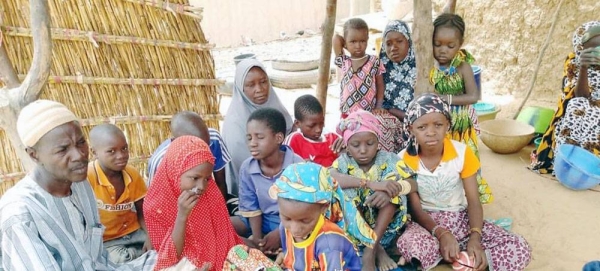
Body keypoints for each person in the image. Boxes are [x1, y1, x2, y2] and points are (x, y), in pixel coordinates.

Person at [0, 100, 155, 270]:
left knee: (176, 258)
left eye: (81, 142)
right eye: (62, 150)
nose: (79, 155)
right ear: (34, 155)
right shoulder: (20, 216)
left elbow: (98, 263)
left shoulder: (80, 186)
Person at [396, 93, 531, 271]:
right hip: (427, 223)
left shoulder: (462, 153)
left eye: (438, 125)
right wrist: (441, 233)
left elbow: (474, 200)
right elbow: (416, 209)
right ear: (411, 129)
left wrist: (475, 237)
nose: (431, 132)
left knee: (518, 246)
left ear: (447, 126)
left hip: (461, 220)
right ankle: (457, 257)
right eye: (422, 127)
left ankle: (457, 257)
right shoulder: (403, 159)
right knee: (409, 242)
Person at [331, 110, 417, 271]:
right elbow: (331, 177)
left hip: (387, 231)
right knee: (345, 192)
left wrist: (390, 190)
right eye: (355, 145)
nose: (363, 150)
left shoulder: (388, 158)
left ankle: (371, 249)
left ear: (378, 142)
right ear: (347, 146)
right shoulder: (343, 162)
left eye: (369, 143)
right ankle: (376, 249)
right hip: (355, 232)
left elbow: (414, 183)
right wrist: (371, 184)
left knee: (393, 188)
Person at [143, 135, 243, 270]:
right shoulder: (155, 205)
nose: (201, 186)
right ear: (175, 171)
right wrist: (182, 216)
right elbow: (169, 258)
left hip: (217, 258)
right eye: (195, 178)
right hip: (183, 264)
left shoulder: (210, 192)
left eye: (207, 178)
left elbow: (225, 237)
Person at [429, 13, 492, 204]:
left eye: (450, 46)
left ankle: (468, 198)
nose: (443, 51)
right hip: (438, 125)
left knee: (464, 159)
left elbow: (473, 96)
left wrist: (445, 99)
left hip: (460, 125)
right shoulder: (429, 65)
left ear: (460, 43)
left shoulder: (463, 67)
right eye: (437, 44)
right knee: (441, 160)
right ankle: (443, 197)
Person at [270, 162, 371, 271]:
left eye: (304, 221)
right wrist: (286, 258)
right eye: (287, 218)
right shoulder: (284, 228)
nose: (295, 229)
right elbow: (292, 255)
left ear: (324, 207)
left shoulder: (330, 244)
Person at [231, 108, 303, 255]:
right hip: (258, 220)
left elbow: (302, 209)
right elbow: (251, 207)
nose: (253, 143)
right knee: (219, 226)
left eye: (259, 137)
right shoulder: (247, 167)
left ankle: (279, 247)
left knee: (304, 235)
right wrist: (258, 240)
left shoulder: (297, 166)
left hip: (291, 221)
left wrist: (280, 233)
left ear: (278, 138)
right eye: (249, 138)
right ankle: (257, 246)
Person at [530, 21, 600, 174]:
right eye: (591, 48)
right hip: (583, 109)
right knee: (577, 106)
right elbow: (579, 95)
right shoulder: (573, 62)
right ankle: (570, 161)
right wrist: (583, 67)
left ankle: (593, 163)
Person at [222, 59, 294, 197]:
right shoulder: (235, 124)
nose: (259, 89)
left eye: (263, 82)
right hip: (254, 191)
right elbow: (247, 168)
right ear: (240, 88)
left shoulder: (275, 106)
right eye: (250, 85)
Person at [147, 111, 236, 214]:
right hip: (178, 210)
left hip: (207, 200)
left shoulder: (214, 139)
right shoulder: (161, 160)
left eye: (206, 146)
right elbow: (158, 204)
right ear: (178, 141)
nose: (204, 150)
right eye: (197, 147)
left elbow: (221, 183)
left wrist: (221, 214)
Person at [87, 124, 151, 263]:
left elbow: (142, 210)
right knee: (118, 260)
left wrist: (150, 236)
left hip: (135, 233)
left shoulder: (132, 174)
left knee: (161, 248)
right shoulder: (88, 178)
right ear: (94, 152)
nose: (121, 155)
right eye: (111, 151)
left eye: (124, 148)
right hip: (108, 240)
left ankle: (137, 255)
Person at [333, 18, 386, 119]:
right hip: (347, 114)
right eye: (353, 41)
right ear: (345, 42)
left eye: (362, 41)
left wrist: (379, 106)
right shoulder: (344, 61)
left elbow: (380, 85)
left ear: (367, 39)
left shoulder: (374, 61)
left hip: (369, 113)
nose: (358, 46)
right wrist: (345, 43)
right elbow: (336, 38)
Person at [377, 20, 417, 153]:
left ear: (408, 41)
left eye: (399, 41)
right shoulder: (380, 70)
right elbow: (381, 104)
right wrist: (405, 116)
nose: (393, 47)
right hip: (395, 122)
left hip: (420, 121)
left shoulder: (421, 66)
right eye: (388, 44)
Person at [284, 94, 343, 167]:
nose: (318, 130)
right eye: (312, 126)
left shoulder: (333, 139)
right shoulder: (294, 140)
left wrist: (345, 147)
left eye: (321, 123)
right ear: (297, 123)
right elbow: (285, 165)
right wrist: (300, 165)